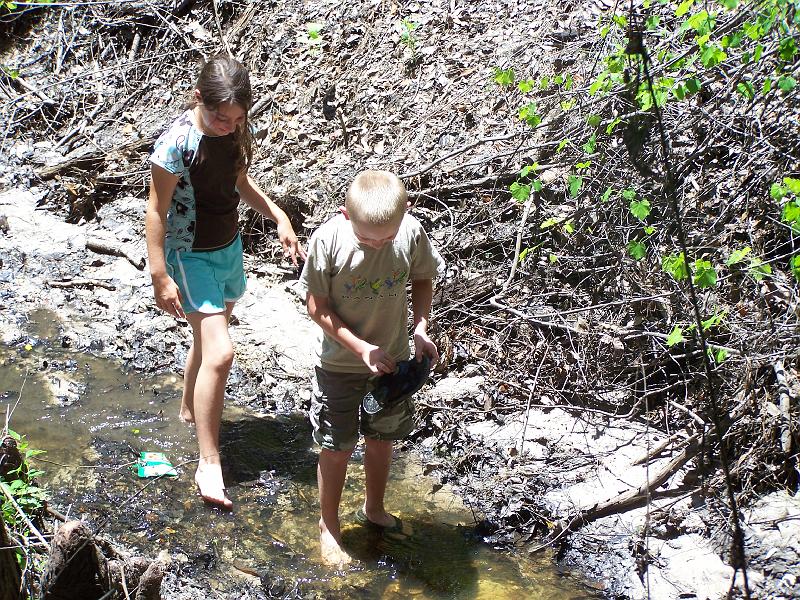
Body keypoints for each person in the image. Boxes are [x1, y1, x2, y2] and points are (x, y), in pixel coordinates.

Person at [145, 55, 305, 510]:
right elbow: (156, 210)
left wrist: (277, 214)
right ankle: (208, 461)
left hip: (227, 248)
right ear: (198, 99)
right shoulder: (176, 145)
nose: (228, 125)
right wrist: (159, 275)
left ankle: (187, 411)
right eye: (220, 116)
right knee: (222, 349)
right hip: (187, 253)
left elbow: (238, 183)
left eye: (237, 118)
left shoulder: (234, 132)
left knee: (205, 338)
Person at [299, 170, 444, 565]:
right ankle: (329, 526)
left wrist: (420, 328)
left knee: (382, 439)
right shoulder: (328, 240)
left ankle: (373, 508)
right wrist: (361, 347)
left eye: (387, 238)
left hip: (392, 361)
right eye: (367, 239)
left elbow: (422, 278)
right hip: (339, 365)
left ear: (405, 215)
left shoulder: (411, 233)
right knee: (337, 446)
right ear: (346, 215)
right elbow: (316, 305)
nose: (378, 244)